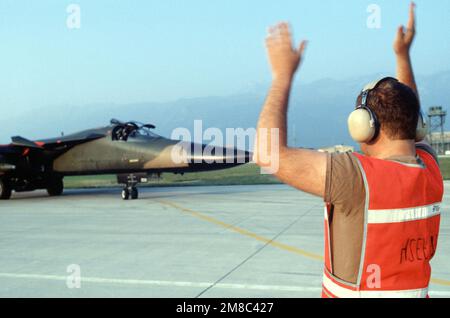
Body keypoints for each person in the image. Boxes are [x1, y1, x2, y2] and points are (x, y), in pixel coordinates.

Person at [254, 2, 443, 298]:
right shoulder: (430, 170)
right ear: (415, 124)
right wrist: (403, 56)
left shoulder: (359, 180)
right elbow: (410, 117)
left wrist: (282, 75)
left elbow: (268, 155)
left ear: (362, 126)